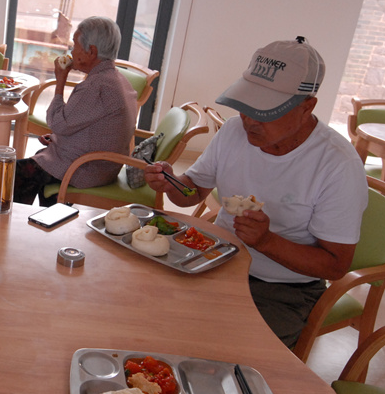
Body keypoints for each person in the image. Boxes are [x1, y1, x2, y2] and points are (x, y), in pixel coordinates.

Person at [143, 37, 369, 348]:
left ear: (307, 107)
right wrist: (173, 182)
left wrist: (266, 241)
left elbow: (335, 265)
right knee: (145, 314)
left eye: (265, 110)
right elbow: (192, 193)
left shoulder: (336, 165)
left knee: (228, 354)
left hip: (281, 289)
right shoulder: (234, 133)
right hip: (212, 258)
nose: (249, 119)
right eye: (246, 104)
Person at [12, 16, 137, 206]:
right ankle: (50, 217)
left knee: (13, 172)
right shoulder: (116, 78)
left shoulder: (96, 87)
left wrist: (60, 80)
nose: (71, 50)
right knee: (39, 159)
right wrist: (57, 138)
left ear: (91, 52)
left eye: (75, 45)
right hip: (104, 166)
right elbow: (84, 124)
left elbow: (57, 123)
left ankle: (14, 225)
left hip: (87, 168)